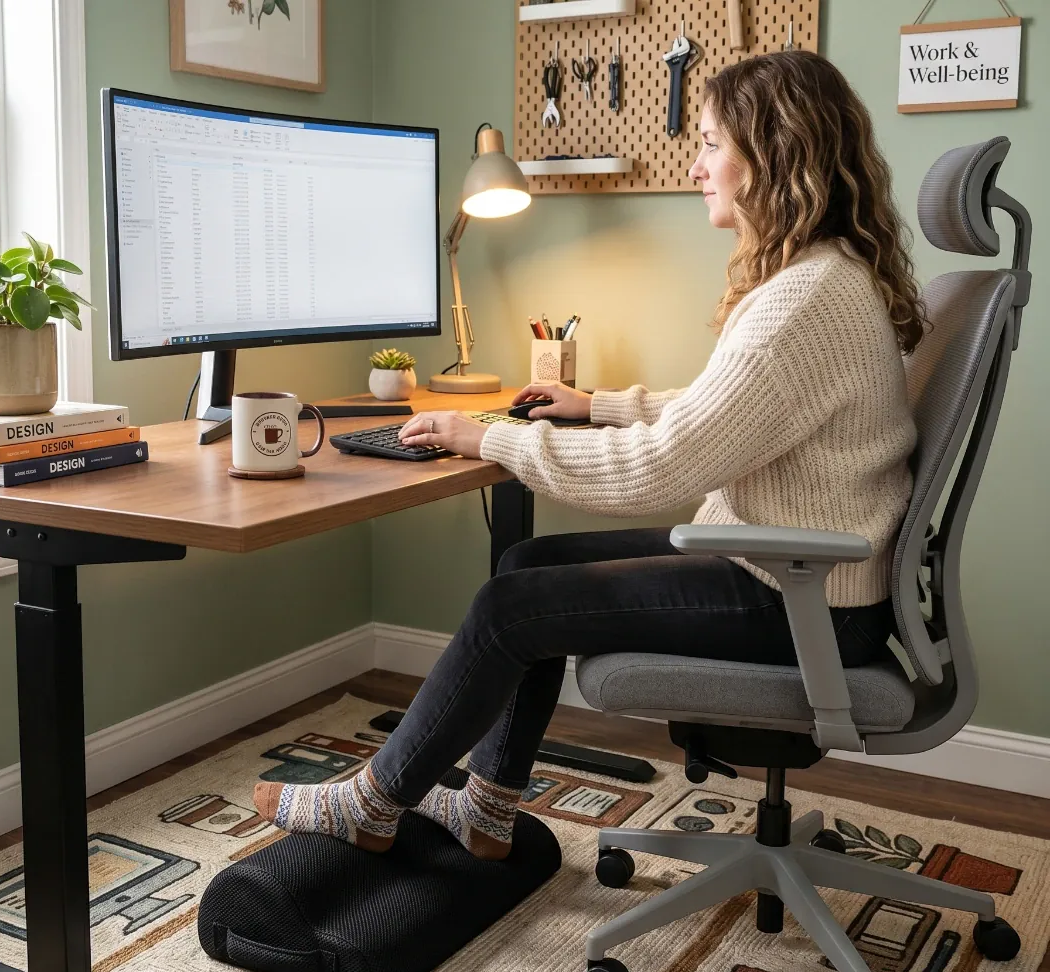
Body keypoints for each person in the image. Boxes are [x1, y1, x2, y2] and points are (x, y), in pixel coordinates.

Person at [255, 50, 924, 861]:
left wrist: (491, 437)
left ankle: (371, 804)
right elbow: (731, 413)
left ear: (772, 153)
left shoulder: (802, 299)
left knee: (511, 611)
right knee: (525, 564)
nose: (695, 166)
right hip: (797, 572)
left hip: (800, 600)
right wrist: (597, 405)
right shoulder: (824, 278)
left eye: (710, 144)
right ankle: (487, 810)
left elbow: (661, 469)